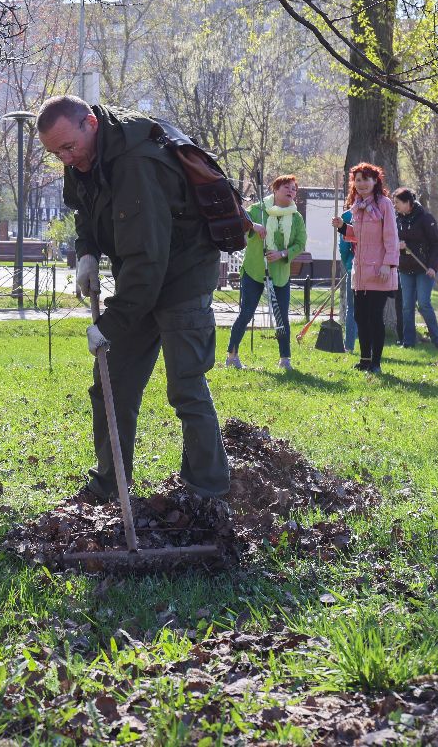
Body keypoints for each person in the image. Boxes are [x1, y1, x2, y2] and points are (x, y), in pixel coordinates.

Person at [36, 95, 229, 504]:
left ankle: (207, 492)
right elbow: (84, 207)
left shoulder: (136, 163)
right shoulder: (84, 155)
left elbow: (147, 262)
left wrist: (108, 326)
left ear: (90, 122)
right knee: (113, 383)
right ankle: (111, 484)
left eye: (69, 147)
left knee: (185, 384)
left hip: (183, 271)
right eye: (56, 153)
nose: (66, 159)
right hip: (142, 274)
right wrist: (87, 252)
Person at [224, 175, 305, 371]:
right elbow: (239, 222)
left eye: (294, 189)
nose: (291, 191)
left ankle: (285, 359)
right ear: (275, 189)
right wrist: (253, 225)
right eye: (287, 187)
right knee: (246, 313)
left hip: (279, 274)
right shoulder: (257, 210)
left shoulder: (296, 216)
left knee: (282, 317)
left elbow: (300, 243)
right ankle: (232, 356)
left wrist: (282, 254)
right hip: (254, 270)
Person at [335, 163, 399, 374]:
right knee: (360, 317)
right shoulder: (357, 206)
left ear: (375, 181)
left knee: (375, 317)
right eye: (358, 180)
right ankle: (364, 360)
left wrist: (388, 264)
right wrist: (343, 228)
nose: (362, 184)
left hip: (379, 270)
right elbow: (359, 236)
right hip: (360, 270)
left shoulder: (384, 204)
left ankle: (376, 363)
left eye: (366, 179)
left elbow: (390, 236)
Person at [394, 188, 438, 349]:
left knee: (423, 304)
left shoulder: (425, 218)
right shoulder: (397, 220)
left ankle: (437, 340)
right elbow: (391, 241)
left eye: (397, 203)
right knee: (407, 307)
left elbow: (437, 244)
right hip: (405, 268)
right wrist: (399, 246)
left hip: (424, 269)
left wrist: (432, 267)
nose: (395, 206)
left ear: (407, 203)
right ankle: (408, 342)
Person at [336, 204, 358, 353]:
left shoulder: (348, 216)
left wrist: (348, 263)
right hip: (376, 266)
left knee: (353, 307)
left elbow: (344, 248)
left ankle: (349, 346)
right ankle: (369, 347)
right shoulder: (381, 210)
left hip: (355, 266)